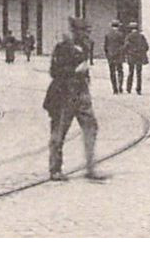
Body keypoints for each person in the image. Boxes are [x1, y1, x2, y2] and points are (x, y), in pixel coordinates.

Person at [44, 17, 106, 182]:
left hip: (82, 94)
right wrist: (75, 70)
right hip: (64, 95)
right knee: (59, 133)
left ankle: (91, 167)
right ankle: (55, 169)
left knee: (91, 128)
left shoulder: (84, 46)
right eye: (84, 31)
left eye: (88, 32)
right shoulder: (63, 47)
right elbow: (54, 71)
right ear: (75, 32)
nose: (87, 35)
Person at [123, 23, 149, 95]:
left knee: (130, 72)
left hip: (131, 57)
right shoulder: (141, 36)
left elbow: (125, 46)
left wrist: (127, 53)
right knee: (139, 74)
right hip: (139, 57)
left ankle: (129, 88)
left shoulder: (129, 36)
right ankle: (138, 89)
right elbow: (146, 47)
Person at [103, 20, 126, 94]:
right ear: (118, 26)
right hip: (119, 55)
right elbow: (123, 45)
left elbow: (105, 46)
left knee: (112, 72)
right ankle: (120, 86)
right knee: (120, 71)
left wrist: (107, 54)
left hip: (111, 55)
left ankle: (114, 89)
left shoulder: (108, 34)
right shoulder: (121, 34)